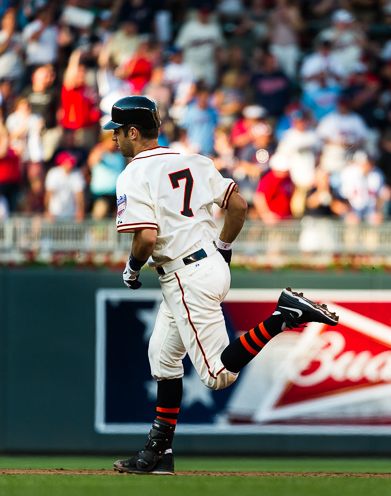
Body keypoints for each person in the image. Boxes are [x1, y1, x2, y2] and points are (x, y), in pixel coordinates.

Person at [106, 95, 339, 475]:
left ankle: (283, 316)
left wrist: (132, 269)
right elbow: (239, 206)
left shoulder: (132, 174)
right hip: (210, 262)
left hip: (184, 276)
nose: (114, 139)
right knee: (163, 359)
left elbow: (146, 237)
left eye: (118, 131)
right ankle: (159, 453)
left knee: (217, 375)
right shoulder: (193, 161)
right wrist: (224, 248)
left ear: (133, 132)